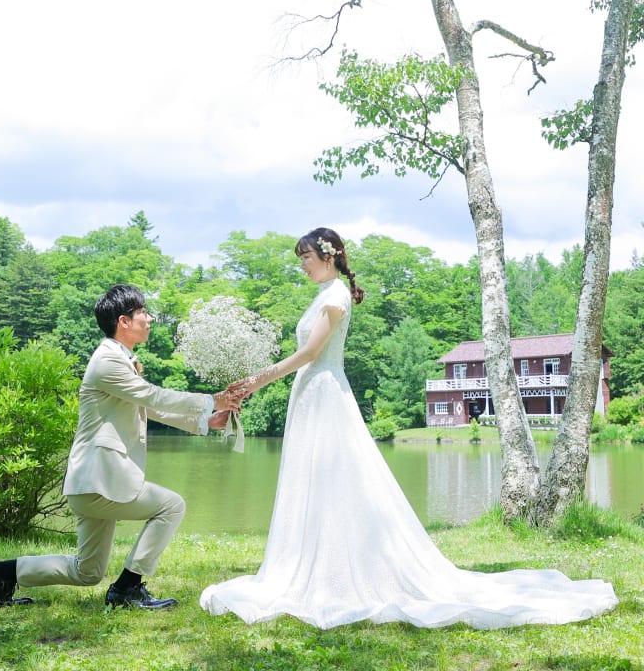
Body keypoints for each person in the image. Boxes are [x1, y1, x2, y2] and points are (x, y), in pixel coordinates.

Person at [200, 227, 618, 629]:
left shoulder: (336, 294)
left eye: (306, 258)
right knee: (312, 477)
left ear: (328, 256)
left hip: (324, 390)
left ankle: (339, 569)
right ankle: (315, 560)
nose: (302, 266)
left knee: (338, 475)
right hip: (310, 394)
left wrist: (258, 379)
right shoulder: (323, 294)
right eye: (301, 260)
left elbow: (310, 352)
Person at [0, 283, 242, 611]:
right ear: (124, 321)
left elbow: (148, 407)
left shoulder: (120, 360)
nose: (150, 318)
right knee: (171, 506)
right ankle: (129, 587)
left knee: (87, 571)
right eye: (143, 313)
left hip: (92, 483)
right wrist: (211, 399)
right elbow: (153, 396)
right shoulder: (107, 361)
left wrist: (205, 421)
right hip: (100, 481)